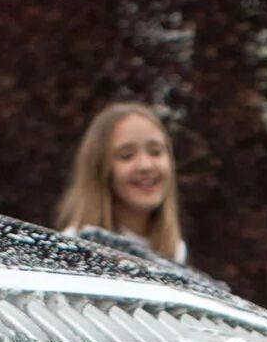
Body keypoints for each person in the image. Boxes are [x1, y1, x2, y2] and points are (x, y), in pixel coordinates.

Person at [54, 102, 188, 265]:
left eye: (156, 152)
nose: (145, 166)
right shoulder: (76, 247)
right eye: (127, 155)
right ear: (100, 169)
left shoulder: (175, 250)